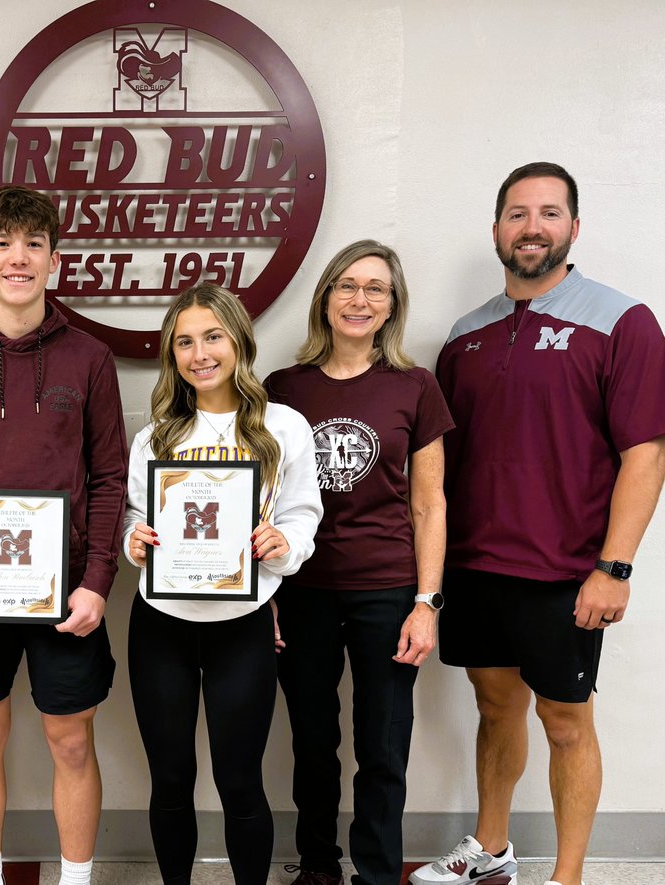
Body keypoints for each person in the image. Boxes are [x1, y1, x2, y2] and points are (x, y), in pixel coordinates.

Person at [412, 163, 665, 885]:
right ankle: (491, 854)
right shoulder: (465, 337)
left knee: (565, 720)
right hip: (475, 568)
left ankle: (569, 876)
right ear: (497, 230)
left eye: (549, 213)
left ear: (574, 228)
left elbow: (645, 455)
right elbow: (441, 471)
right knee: (496, 709)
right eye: (518, 214)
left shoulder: (622, 321)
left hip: (566, 573)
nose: (533, 227)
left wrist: (613, 567)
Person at [0, 184, 128, 885]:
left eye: (34, 244)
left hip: (66, 594)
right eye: (4, 243)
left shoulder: (89, 359)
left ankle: (75, 880)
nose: (19, 257)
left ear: (54, 261)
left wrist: (97, 581)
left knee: (71, 741)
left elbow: (108, 477)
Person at [265, 241, 454, 885]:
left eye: (376, 288)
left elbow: (430, 506)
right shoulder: (284, 390)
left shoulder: (414, 387)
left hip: (388, 590)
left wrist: (426, 605)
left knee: (383, 745)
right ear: (325, 298)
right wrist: (262, 599)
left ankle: (376, 872)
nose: (360, 299)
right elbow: (259, 504)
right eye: (347, 286)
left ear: (392, 304)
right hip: (304, 590)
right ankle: (318, 865)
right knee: (313, 742)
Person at [123, 283, 322, 884]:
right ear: (171, 354)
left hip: (244, 625)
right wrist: (134, 540)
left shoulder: (283, 428)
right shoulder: (156, 434)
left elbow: (302, 514)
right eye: (184, 341)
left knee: (240, 781)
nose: (199, 352)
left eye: (212, 336)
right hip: (162, 626)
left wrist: (284, 546)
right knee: (171, 780)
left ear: (238, 340)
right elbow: (135, 515)